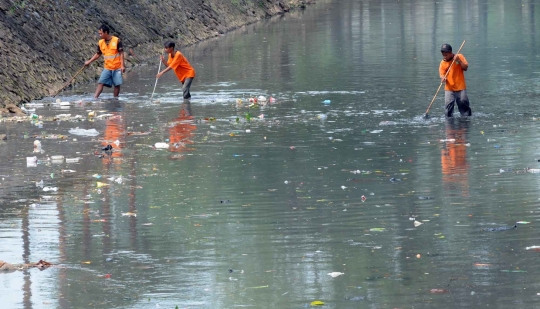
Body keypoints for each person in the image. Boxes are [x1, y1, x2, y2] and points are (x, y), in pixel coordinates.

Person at [84, 24, 125, 98]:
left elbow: (121, 53)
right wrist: (89, 61)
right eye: (99, 33)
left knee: (117, 84)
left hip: (117, 67)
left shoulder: (117, 40)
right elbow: (98, 54)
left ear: (106, 32)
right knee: (101, 82)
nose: (100, 35)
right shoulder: (100, 43)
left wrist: (122, 65)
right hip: (107, 67)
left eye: (101, 33)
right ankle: (95, 98)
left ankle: (115, 99)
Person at [439, 43, 471, 117]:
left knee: (464, 104)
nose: (445, 57)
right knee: (448, 109)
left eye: (446, 55)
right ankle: (449, 123)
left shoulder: (459, 56)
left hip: (460, 87)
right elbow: (442, 74)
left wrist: (458, 61)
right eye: (443, 55)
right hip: (449, 88)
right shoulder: (442, 63)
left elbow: (465, 68)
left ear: (450, 53)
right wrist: (443, 78)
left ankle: (466, 120)